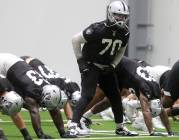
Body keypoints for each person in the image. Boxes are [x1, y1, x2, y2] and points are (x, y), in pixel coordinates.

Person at [69, 0, 137, 137]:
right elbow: (75, 40)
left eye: (124, 16)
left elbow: (121, 51)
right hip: (91, 64)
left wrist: (112, 65)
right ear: (111, 14)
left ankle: (120, 128)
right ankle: (72, 126)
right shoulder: (97, 28)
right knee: (87, 95)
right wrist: (81, 62)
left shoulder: (124, 32)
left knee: (115, 97)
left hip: (106, 67)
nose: (121, 19)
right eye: (118, 15)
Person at [0, 53, 70, 139]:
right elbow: (34, 111)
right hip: (4, 64)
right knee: (10, 102)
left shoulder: (48, 88)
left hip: (13, 62)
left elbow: (54, 108)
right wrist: (40, 135)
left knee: (14, 102)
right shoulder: (32, 90)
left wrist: (62, 132)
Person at [0, 75, 32, 140]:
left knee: (14, 112)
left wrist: (26, 135)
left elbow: (14, 113)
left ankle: (26, 135)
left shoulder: (10, 89)